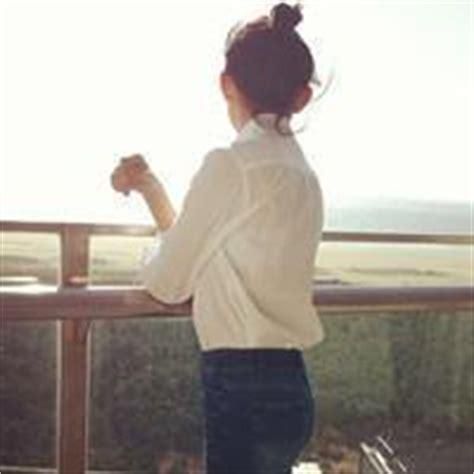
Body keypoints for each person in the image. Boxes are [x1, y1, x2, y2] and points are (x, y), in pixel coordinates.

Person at [110, 3, 325, 473]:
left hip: (240, 389)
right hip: (292, 386)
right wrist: (151, 189)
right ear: (303, 96)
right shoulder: (304, 177)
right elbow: (212, 246)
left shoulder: (229, 166)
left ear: (226, 83)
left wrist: (150, 253)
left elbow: (168, 282)